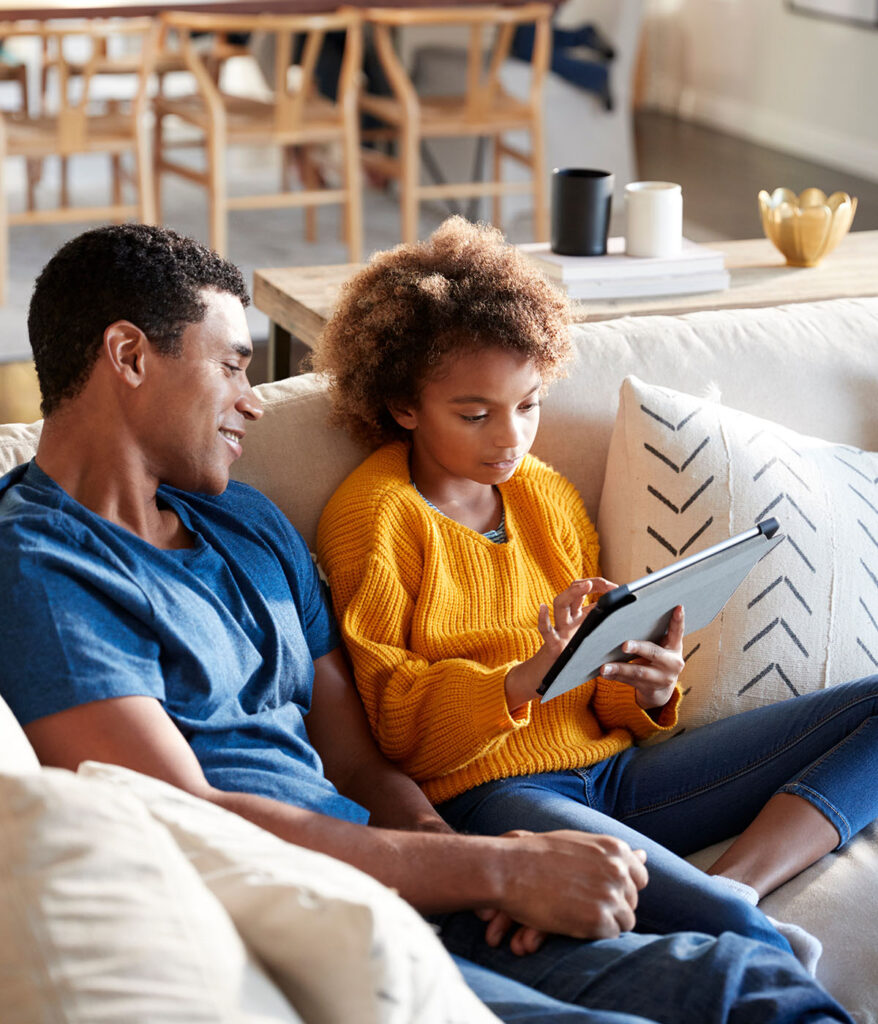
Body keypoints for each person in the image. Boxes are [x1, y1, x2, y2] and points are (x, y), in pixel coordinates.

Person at [0, 223, 856, 1024]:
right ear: (129, 356)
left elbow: (359, 762)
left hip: (410, 878)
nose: (251, 401)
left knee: (752, 982)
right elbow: (186, 816)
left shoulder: (246, 524)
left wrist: (472, 874)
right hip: (305, 913)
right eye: (231, 366)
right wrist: (497, 866)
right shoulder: (44, 569)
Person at [314, 216, 878, 976]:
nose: (510, 437)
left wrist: (643, 682)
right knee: (721, 932)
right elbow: (395, 730)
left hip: (615, 773)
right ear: (404, 405)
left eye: (528, 403)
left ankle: (737, 884)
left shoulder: (544, 494)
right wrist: (523, 677)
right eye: (474, 414)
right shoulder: (374, 516)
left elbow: (600, 700)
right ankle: (754, 945)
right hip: (495, 795)